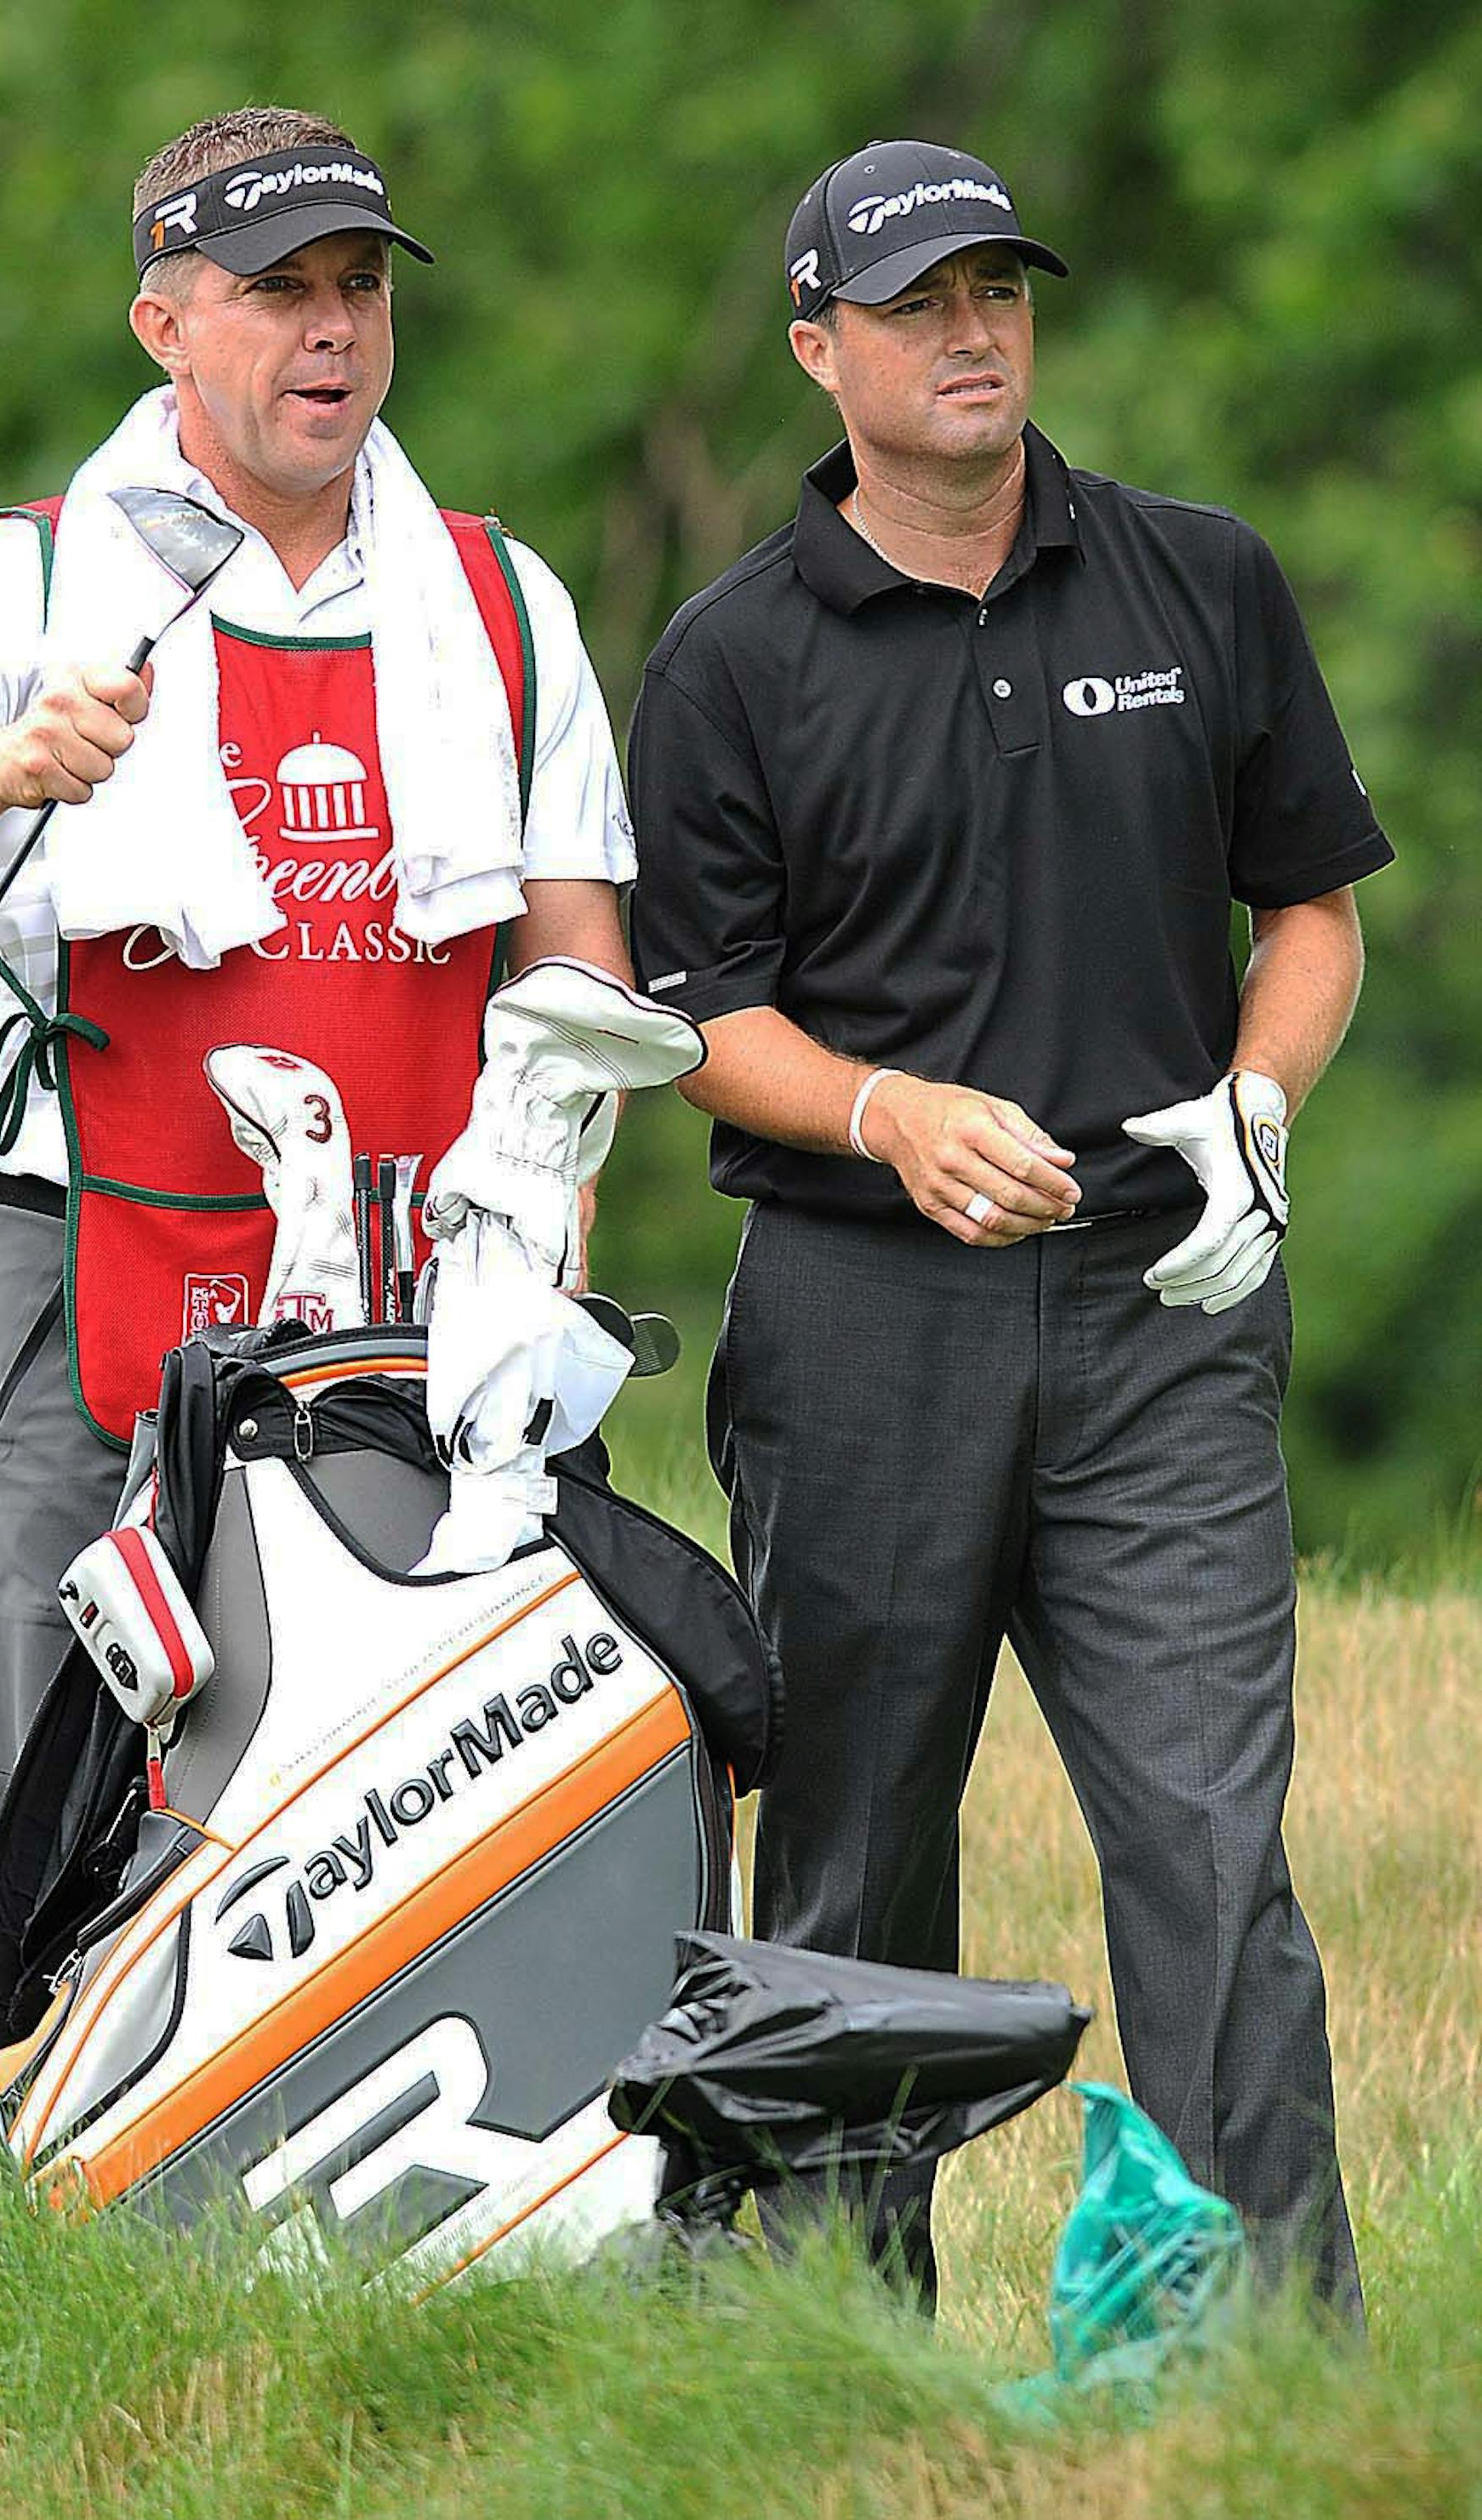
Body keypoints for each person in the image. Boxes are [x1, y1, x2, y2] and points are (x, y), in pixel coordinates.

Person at [628, 138, 1387, 2317]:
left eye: (998, 294)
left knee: (1211, 1852)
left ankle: (1263, 2362)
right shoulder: (737, 657)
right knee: (856, 1861)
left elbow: (1310, 915)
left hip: (1163, 1304)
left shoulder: (1198, 579)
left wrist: (1259, 1102)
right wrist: (886, 1114)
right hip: (864, 1321)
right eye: (916, 302)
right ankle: (843, 2351)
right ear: (819, 348)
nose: (971, 334)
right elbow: (695, 1019)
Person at [0, 107, 635, 1865]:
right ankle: (19, 2126)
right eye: (279, 289)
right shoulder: (20, 579)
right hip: (89, 1259)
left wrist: (551, 1212)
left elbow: (580, 970)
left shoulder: (501, 599)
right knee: (68, 1775)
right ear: (164, 322)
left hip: (424, 1275)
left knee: (416, 1777)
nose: (335, 329)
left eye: (362, 287)